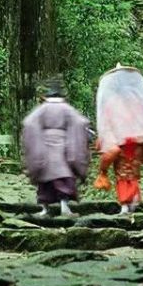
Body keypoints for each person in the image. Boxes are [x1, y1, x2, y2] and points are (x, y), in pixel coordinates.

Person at [93, 64, 143, 214]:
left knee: (122, 173)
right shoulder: (136, 101)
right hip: (137, 142)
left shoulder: (111, 103)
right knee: (132, 171)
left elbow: (107, 123)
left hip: (120, 143)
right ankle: (133, 199)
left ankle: (126, 203)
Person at [21, 80, 91, 218]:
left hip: (44, 147)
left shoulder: (42, 109)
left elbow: (28, 123)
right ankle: (64, 207)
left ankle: (45, 209)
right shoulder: (66, 108)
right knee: (63, 179)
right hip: (64, 147)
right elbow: (81, 122)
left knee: (45, 182)